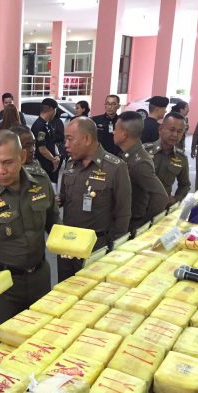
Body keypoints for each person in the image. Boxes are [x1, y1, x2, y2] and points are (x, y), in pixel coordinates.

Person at [0, 130, 59, 348]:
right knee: (1, 346)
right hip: (3, 289)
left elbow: (54, 221)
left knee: (40, 342)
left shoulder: (41, 182)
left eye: (7, 162)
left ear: (22, 157)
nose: (1, 170)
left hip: (40, 279)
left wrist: (69, 243)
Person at [57, 117, 131, 280]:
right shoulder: (70, 164)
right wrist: (57, 200)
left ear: (87, 139)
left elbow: (123, 213)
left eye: (70, 139)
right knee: (63, 289)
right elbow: (63, 197)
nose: (66, 145)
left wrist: (113, 248)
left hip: (96, 248)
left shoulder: (115, 167)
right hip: (67, 244)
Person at [114, 111, 168, 231]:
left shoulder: (139, 162)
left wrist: (144, 225)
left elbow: (160, 196)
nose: (113, 132)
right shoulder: (128, 155)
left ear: (124, 134)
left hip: (131, 224)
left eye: (115, 129)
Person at [143, 112, 191, 207]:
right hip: (138, 208)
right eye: (172, 130)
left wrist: (175, 199)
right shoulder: (143, 151)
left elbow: (185, 185)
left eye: (179, 131)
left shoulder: (181, 158)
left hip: (161, 209)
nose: (175, 135)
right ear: (160, 129)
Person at [32, 98, 61, 184]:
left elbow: (53, 142)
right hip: (43, 165)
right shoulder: (39, 125)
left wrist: (57, 155)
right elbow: (42, 148)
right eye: (55, 110)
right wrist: (53, 160)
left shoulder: (47, 124)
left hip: (51, 163)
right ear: (52, 109)